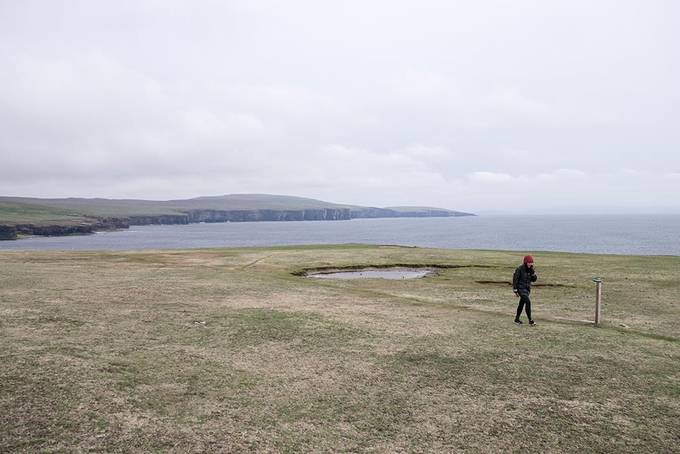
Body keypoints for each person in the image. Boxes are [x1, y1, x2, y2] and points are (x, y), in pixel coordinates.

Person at [513, 255, 538, 325]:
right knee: (528, 302)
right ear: (525, 262)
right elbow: (515, 279)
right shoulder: (519, 269)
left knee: (521, 304)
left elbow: (534, 280)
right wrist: (515, 290)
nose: (530, 264)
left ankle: (516, 319)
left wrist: (534, 275)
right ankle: (530, 320)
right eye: (529, 262)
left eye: (531, 262)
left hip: (527, 290)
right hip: (520, 289)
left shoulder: (531, 270)